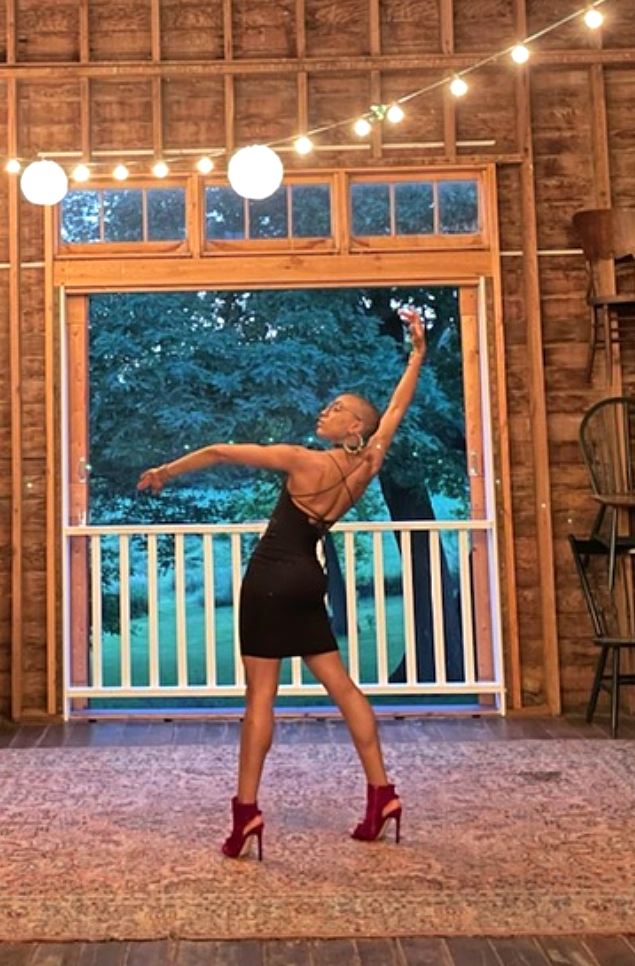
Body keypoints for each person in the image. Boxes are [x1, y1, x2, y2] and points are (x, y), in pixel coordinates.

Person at [138, 307, 427, 861]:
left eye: (338, 408)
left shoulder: (301, 463)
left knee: (260, 697)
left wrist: (165, 472)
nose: (327, 410)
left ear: (354, 429)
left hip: (271, 581)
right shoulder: (366, 466)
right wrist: (416, 353)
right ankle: (382, 793)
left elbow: (222, 451)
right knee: (342, 687)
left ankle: (246, 813)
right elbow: (396, 408)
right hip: (309, 580)